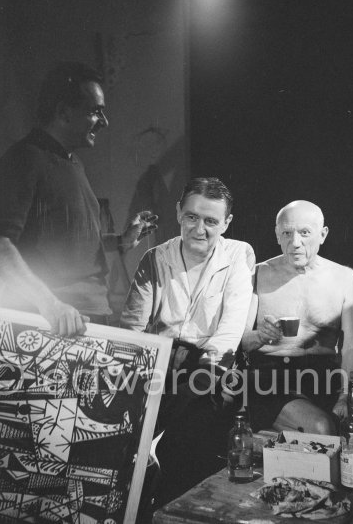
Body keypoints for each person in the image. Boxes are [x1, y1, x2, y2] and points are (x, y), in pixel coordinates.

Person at [0, 62, 157, 336]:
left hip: (83, 317)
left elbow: (71, 244)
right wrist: (49, 304)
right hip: (53, 324)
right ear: (63, 111)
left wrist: (121, 241)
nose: (104, 122)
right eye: (95, 112)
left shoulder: (72, 163)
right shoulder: (24, 159)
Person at [121, 176, 255, 507]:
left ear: (227, 223)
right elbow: (133, 329)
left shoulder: (239, 255)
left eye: (211, 221)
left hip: (213, 367)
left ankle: (169, 509)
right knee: (121, 442)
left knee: (181, 442)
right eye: (192, 217)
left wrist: (201, 378)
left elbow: (229, 329)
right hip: (159, 363)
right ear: (179, 212)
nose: (199, 229)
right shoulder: (155, 258)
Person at [241, 200, 353, 435]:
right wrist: (260, 336)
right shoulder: (257, 274)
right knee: (322, 428)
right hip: (270, 378)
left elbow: (352, 347)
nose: (295, 243)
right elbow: (242, 341)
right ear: (277, 235)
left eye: (305, 233)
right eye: (287, 233)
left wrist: (347, 395)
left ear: (323, 234)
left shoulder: (345, 278)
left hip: (325, 378)